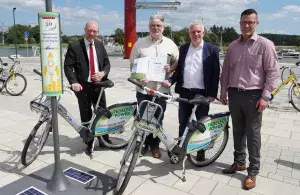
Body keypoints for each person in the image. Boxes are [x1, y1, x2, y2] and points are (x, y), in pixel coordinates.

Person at [220, 9, 278, 190]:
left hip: (254, 96)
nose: (246, 25)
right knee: (237, 132)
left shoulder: (265, 45)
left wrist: (265, 97)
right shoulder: (232, 46)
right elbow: (227, 71)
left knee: (253, 134)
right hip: (234, 94)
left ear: (256, 24)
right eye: (243, 22)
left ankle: (253, 171)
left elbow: (272, 73)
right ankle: (239, 162)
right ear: (239, 23)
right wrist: (223, 91)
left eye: (250, 22)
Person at [163, 21, 220, 161]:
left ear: (203, 33)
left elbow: (215, 73)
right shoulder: (183, 49)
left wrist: (212, 94)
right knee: (183, 121)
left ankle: (200, 151)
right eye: (193, 32)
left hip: (202, 94)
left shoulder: (212, 49)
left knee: (201, 123)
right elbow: (179, 71)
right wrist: (170, 81)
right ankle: (183, 148)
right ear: (189, 34)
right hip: (184, 92)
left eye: (198, 32)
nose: (196, 34)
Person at [129, 14, 179, 158]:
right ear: (149, 26)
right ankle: (143, 144)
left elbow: (176, 63)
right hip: (144, 89)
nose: (155, 28)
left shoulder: (171, 45)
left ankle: (155, 145)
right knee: (143, 118)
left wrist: (171, 68)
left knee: (158, 119)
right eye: (152, 25)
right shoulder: (140, 44)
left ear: (163, 27)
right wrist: (139, 78)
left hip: (161, 90)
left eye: (158, 25)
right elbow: (133, 65)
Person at [64, 21, 111, 156]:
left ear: (98, 32)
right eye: (90, 31)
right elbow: (68, 66)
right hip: (82, 86)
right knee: (86, 115)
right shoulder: (75, 46)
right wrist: (73, 82)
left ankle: (104, 139)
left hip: (98, 86)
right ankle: (89, 141)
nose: (92, 34)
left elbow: (107, 63)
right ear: (85, 30)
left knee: (102, 113)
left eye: (95, 31)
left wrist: (103, 73)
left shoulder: (100, 44)